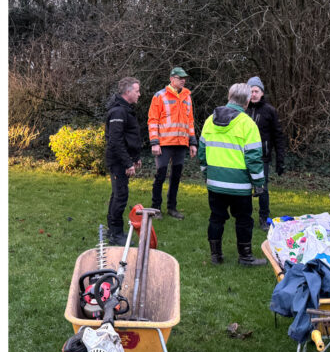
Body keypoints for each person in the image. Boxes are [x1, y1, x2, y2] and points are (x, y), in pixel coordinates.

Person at [198, 81, 268, 267]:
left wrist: (206, 174)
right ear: (246, 102)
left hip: (215, 182)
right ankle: (245, 257)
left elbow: (202, 152)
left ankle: (215, 256)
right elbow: (254, 158)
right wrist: (259, 183)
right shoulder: (247, 124)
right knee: (244, 220)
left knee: (216, 217)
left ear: (229, 98)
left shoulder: (209, 120)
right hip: (239, 185)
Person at [148, 67, 197, 219]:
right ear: (171, 79)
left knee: (176, 177)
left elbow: (190, 121)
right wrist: (154, 142)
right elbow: (153, 120)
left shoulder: (187, 97)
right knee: (160, 176)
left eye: (184, 78)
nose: (183, 80)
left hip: (181, 143)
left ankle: (172, 208)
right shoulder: (159, 96)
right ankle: (155, 208)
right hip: (164, 143)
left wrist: (192, 142)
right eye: (180, 77)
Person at [105, 77, 144, 245]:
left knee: (118, 194)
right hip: (117, 161)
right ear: (128, 92)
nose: (139, 94)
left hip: (124, 159)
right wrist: (127, 163)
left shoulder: (126, 110)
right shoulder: (118, 112)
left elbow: (130, 137)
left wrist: (135, 158)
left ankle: (112, 230)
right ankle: (116, 234)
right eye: (137, 91)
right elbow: (115, 141)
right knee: (120, 196)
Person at [247, 76, 286, 229]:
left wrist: (280, 159)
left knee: (262, 189)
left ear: (262, 93)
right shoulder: (243, 110)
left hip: (262, 156)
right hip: (243, 155)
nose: (254, 94)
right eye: (251, 91)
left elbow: (278, 136)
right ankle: (245, 217)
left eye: (256, 91)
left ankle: (264, 218)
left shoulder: (270, 111)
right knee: (244, 189)